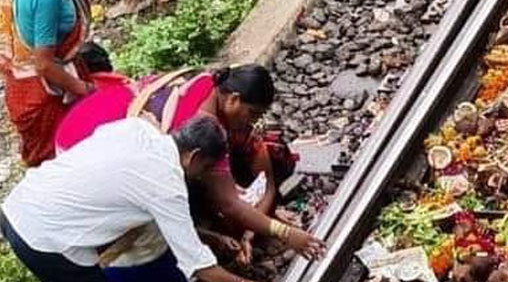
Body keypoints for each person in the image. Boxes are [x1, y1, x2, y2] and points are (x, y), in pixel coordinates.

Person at [55, 65, 326, 267]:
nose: (252, 123)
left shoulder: (209, 80)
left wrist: (263, 218)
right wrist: (287, 234)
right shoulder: (205, 127)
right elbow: (229, 204)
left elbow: (259, 164)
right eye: (252, 114)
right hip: (85, 144)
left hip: (89, 122)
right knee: (150, 236)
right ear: (233, 100)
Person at [1, 116, 260, 282]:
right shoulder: (167, 184)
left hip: (21, 201)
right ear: (193, 157)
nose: (200, 177)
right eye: (204, 169)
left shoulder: (137, 127)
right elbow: (202, 269)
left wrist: (211, 238)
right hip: (45, 240)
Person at [0, 0, 93, 166]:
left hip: (50, 71)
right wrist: (81, 89)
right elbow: (44, 64)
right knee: (56, 159)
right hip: (43, 92)